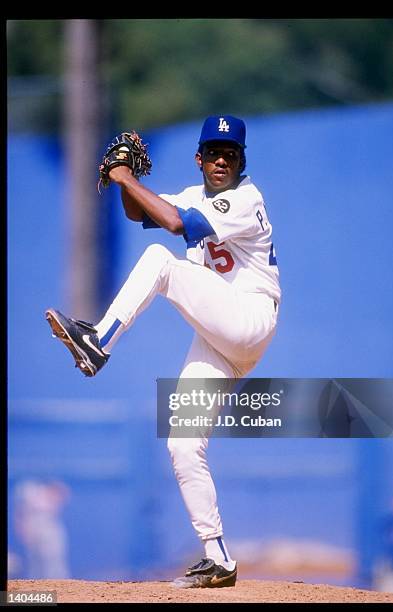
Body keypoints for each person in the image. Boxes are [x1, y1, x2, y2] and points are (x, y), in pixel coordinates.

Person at [45, 115, 281, 588]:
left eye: (229, 152)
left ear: (241, 160)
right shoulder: (192, 195)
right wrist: (122, 182)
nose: (221, 159)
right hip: (221, 337)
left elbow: (173, 224)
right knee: (183, 444)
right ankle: (218, 558)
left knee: (159, 262)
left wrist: (125, 175)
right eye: (213, 151)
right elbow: (140, 214)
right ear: (198, 158)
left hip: (250, 319)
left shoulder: (246, 197)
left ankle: (97, 342)